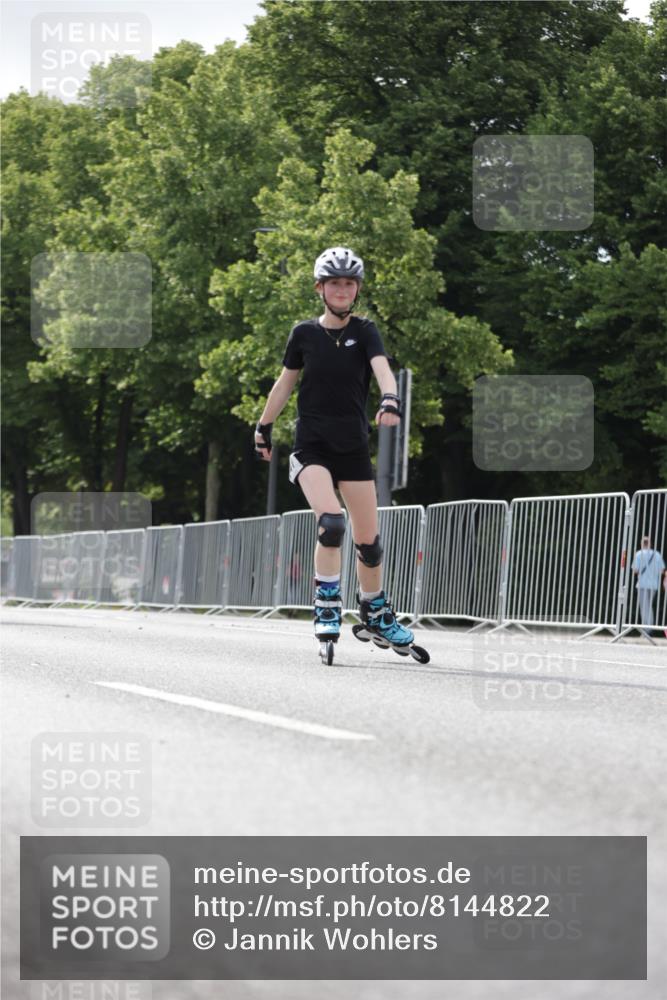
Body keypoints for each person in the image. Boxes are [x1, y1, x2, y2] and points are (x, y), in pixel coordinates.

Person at [253, 246, 414, 650]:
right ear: (319, 288)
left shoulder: (365, 331)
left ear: (356, 289)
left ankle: (375, 611)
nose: (342, 290)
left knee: (370, 543)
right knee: (332, 523)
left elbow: (382, 369)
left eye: (349, 283)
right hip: (312, 447)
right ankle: (326, 604)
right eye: (334, 283)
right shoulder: (304, 334)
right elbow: (284, 383)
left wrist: (389, 399)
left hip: (353, 447)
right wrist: (263, 427)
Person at [632, 535, 666, 634]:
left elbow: (635, 570)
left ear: (642, 544)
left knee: (644, 607)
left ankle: (647, 629)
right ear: (650, 544)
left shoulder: (639, 554)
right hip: (653, 585)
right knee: (648, 606)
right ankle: (648, 627)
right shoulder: (657, 555)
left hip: (642, 584)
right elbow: (662, 570)